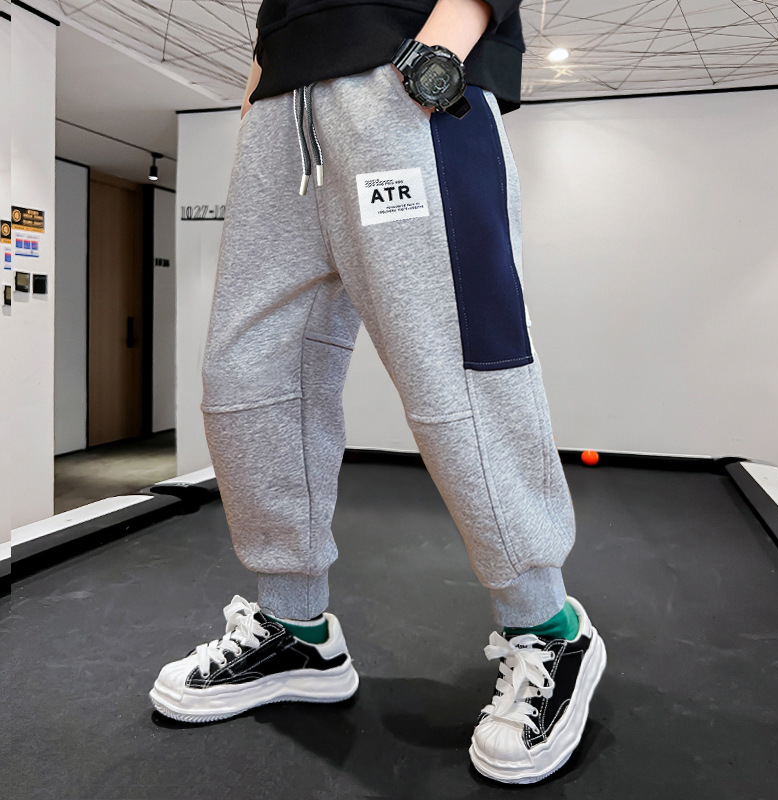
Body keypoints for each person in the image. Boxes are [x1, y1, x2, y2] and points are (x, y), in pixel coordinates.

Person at [150, 0, 606, 784]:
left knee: (459, 366)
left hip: (402, 79)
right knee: (249, 377)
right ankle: (295, 627)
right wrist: (259, 95)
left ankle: (548, 625)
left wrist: (437, 52)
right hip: (282, 110)